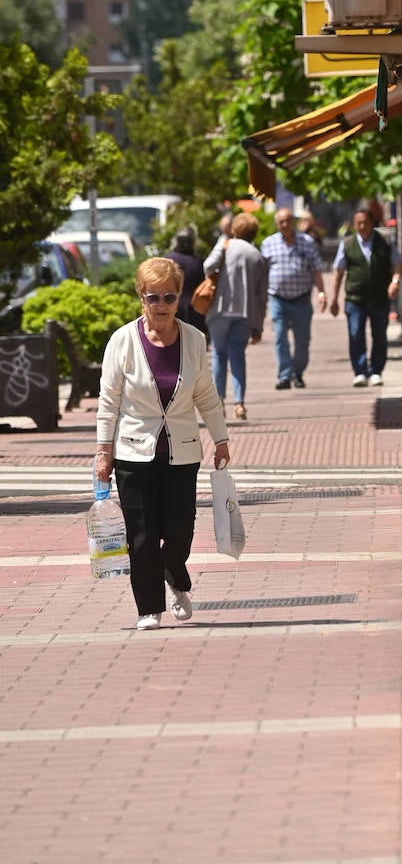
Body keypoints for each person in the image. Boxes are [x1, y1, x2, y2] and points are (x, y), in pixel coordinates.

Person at [94, 257, 230, 632]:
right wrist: (103, 452)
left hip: (182, 451)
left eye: (169, 297)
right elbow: (108, 401)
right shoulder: (122, 341)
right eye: (153, 297)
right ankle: (148, 608)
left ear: (179, 297)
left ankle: (175, 576)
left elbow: (205, 393)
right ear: (141, 296)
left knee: (181, 528)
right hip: (133, 451)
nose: (162, 305)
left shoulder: (194, 338)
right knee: (142, 533)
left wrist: (221, 438)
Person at [202, 213, 268, 421]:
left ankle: (219, 401)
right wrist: (258, 326)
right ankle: (239, 404)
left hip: (220, 309)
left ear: (235, 229)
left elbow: (207, 265)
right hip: (245, 312)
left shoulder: (226, 244)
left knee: (219, 354)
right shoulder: (257, 255)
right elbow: (261, 295)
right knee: (238, 355)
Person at [329, 201, 402, 387]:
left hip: (379, 298)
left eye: (365, 222)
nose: (362, 226)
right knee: (355, 334)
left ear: (372, 222)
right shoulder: (347, 244)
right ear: (354, 225)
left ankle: (376, 370)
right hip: (355, 299)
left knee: (379, 335)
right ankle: (360, 371)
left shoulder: (384, 242)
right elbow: (338, 272)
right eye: (358, 223)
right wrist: (333, 298)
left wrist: (395, 282)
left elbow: (397, 263)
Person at [260, 207, 326, 390]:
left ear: (293, 222)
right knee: (280, 336)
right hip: (277, 299)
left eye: (288, 221)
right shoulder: (268, 244)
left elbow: (316, 269)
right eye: (281, 221)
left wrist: (321, 292)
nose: (285, 225)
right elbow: (262, 273)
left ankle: (298, 373)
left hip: (302, 299)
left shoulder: (307, 242)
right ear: (276, 224)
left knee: (302, 340)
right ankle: (284, 376)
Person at [165, 228, 206, 337]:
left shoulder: (167, 261)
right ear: (193, 242)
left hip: (170, 306)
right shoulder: (199, 262)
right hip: (193, 310)